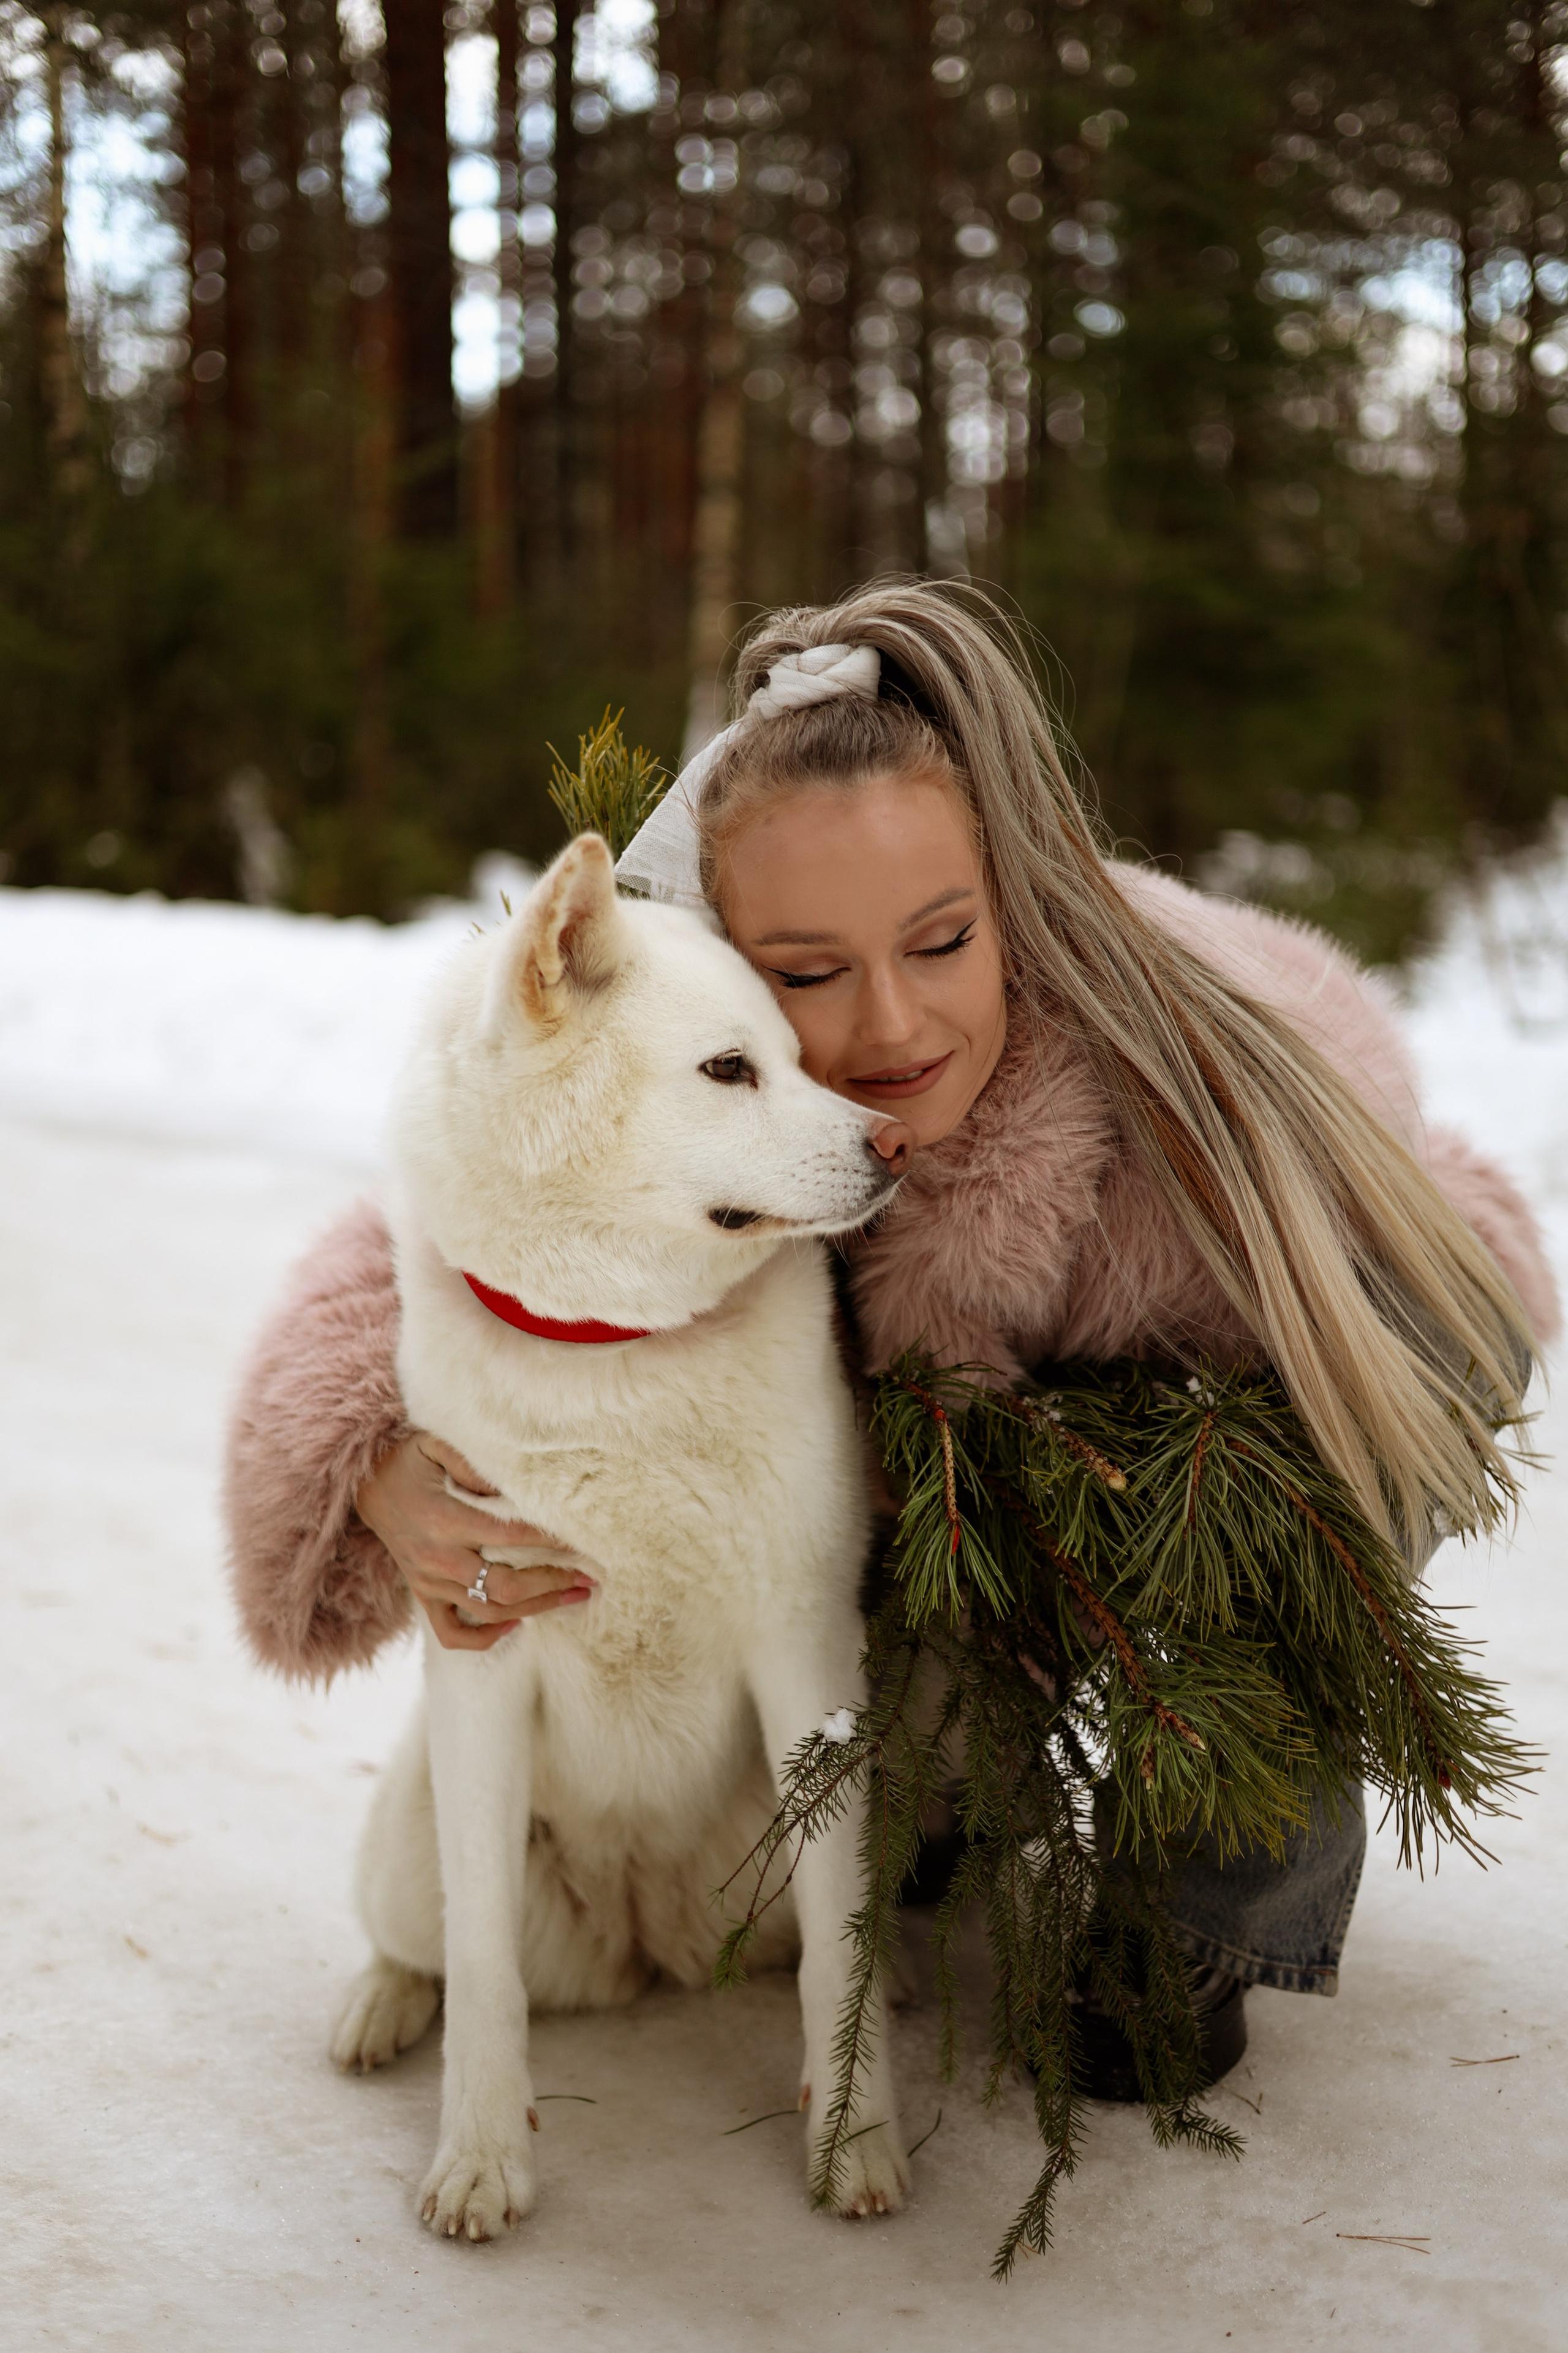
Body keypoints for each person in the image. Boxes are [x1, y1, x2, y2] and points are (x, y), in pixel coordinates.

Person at [224, 580, 1558, 2093]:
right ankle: (944, 1778)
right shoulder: (685, 1038)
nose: (887, 1031)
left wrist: (1173, 1505)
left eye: (940, 942)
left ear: (1011, 900)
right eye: (801, 974)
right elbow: (453, 1211)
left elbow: (1417, 1262)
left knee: (1286, 1451)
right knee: (885, 1617)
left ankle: (1198, 1910)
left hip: (1238, 1361)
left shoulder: (1163, 1111)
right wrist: (377, 1460)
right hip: (919, 1458)